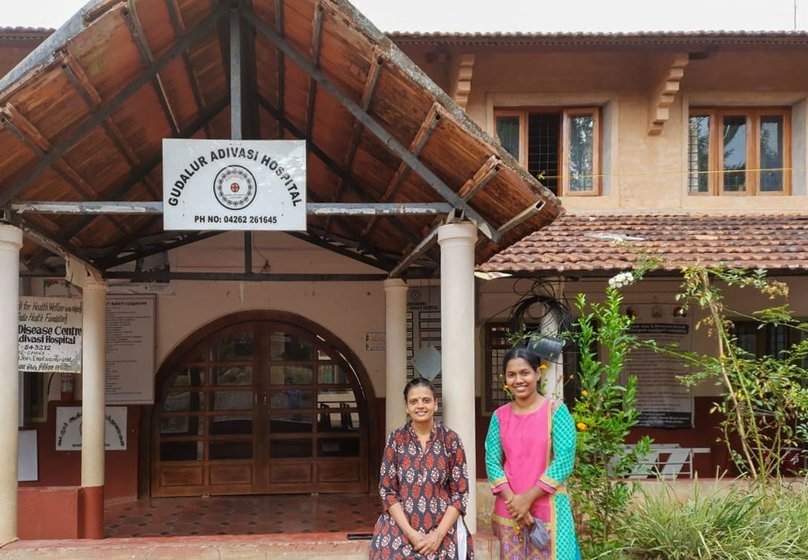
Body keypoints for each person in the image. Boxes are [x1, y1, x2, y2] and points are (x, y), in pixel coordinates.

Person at [485, 347, 581, 560]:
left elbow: (564, 462)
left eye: (525, 373)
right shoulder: (499, 417)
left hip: (550, 512)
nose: (518, 380)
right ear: (505, 379)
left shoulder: (556, 412)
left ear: (537, 374)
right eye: (511, 375)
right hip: (508, 513)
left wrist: (527, 499)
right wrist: (515, 504)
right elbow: (492, 462)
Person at [369, 377, 473, 559]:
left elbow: (460, 494)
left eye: (426, 400)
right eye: (414, 401)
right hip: (401, 525)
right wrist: (411, 534)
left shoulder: (451, 440)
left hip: (442, 526)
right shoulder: (396, 439)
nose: (420, 406)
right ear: (406, 408)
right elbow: (387, 491)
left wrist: (438, 535)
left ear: (435, 404)